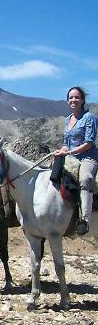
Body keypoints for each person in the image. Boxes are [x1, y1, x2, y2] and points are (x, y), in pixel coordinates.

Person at [53, 86, 98, 236]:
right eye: (71, 97)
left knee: (85, 179)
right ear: (67, 101)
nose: (73, 100)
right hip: (71, 156)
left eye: (77, 97)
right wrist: (62, 150)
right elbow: (66, 142)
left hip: (88, 157)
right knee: (53, 173)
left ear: (83, 100)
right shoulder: (67, 120)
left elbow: (89, 142)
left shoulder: (89, 118)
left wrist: (71, 151)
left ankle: (84, 220)